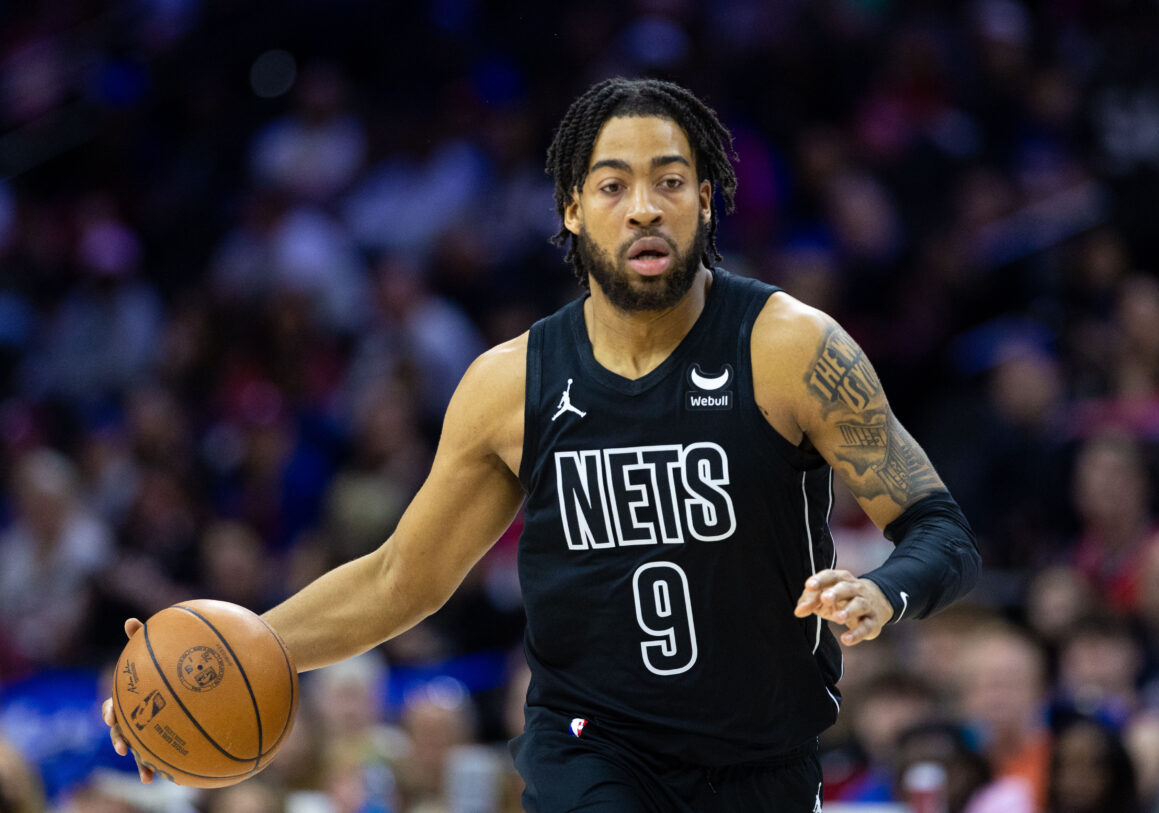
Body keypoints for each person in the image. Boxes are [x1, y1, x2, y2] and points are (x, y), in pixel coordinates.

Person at [103, 77, 980, 812]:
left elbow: (940, 528)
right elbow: (399, 578)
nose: (644, 206)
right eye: (612, 184)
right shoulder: (507, 384)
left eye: (672, 181)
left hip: (764, 756)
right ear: (571, 207)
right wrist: (211, 666)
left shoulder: (789, 346)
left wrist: (882, 590)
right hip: (589, 746)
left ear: (706, 201)